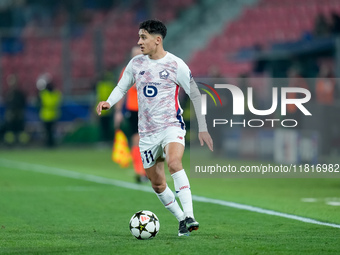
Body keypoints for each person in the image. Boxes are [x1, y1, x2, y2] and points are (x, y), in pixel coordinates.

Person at [97, 19, 213, 236]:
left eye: (143, 37)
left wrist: (203, 127)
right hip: (147, 133)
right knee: (157, 184)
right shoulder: (135, 64)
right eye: (139, 37)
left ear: (157, 40)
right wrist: (108, 102)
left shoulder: (176, 65)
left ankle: (189, 215)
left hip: (171, 126)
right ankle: (181, 219)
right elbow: (121, 87)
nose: (139, 42)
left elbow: (195, 94)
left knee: (174, 162)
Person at [115, 46, 148, 183]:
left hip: (149, 110)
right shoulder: (127, 71)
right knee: (137, 140)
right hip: (134, 110)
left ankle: (147, 170)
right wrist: (118, 112)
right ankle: (140, 171)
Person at [37, 74, 62, 147]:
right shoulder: (55, 93)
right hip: (51, 114)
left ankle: (49, 144)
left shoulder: (44, 94)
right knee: (49, 132)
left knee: (49, 132)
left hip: (47, 115)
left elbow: (44, 103)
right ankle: (50, 143)